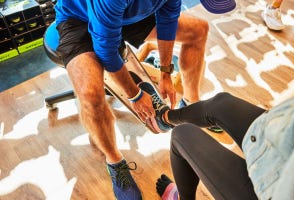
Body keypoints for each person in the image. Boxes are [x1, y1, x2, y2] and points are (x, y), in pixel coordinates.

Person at [53, 0, 236, 199]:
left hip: (128, 16)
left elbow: (168, 19)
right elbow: (106, 49)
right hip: (79, 18)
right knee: (90, 95)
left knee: (198, 30)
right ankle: (115, 163)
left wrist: (165, 72)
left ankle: (190, 105)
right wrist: (135, 95)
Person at [149, 91, 294, 200]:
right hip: (289, 134)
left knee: (181, 135)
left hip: (279, 189)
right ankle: (165, 119)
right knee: (221, 102)